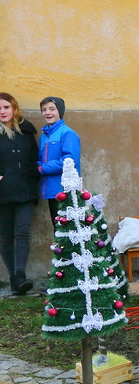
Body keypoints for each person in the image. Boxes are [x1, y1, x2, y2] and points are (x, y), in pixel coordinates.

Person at [0, 93, 39, 295]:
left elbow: (35, 159)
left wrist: (31, 176)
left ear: (14, 108)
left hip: (25, 190)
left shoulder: (27, 132)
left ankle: (20, 275)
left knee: (22, 231)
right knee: (5, 236)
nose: (2, 111)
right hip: (2, 192)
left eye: (6, 107)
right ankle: (14, 279)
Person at [37, 96, 81, 224]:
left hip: (64, 190)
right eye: (44, 109)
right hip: (52, 190)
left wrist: (42, 168)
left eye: (52, 109)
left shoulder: (67, 133)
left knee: (66, 229)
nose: (47, 113)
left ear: (60, 111)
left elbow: (69, 161)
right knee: (58, 228)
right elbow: (40, 158)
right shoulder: (44, 136)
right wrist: (37, 166)